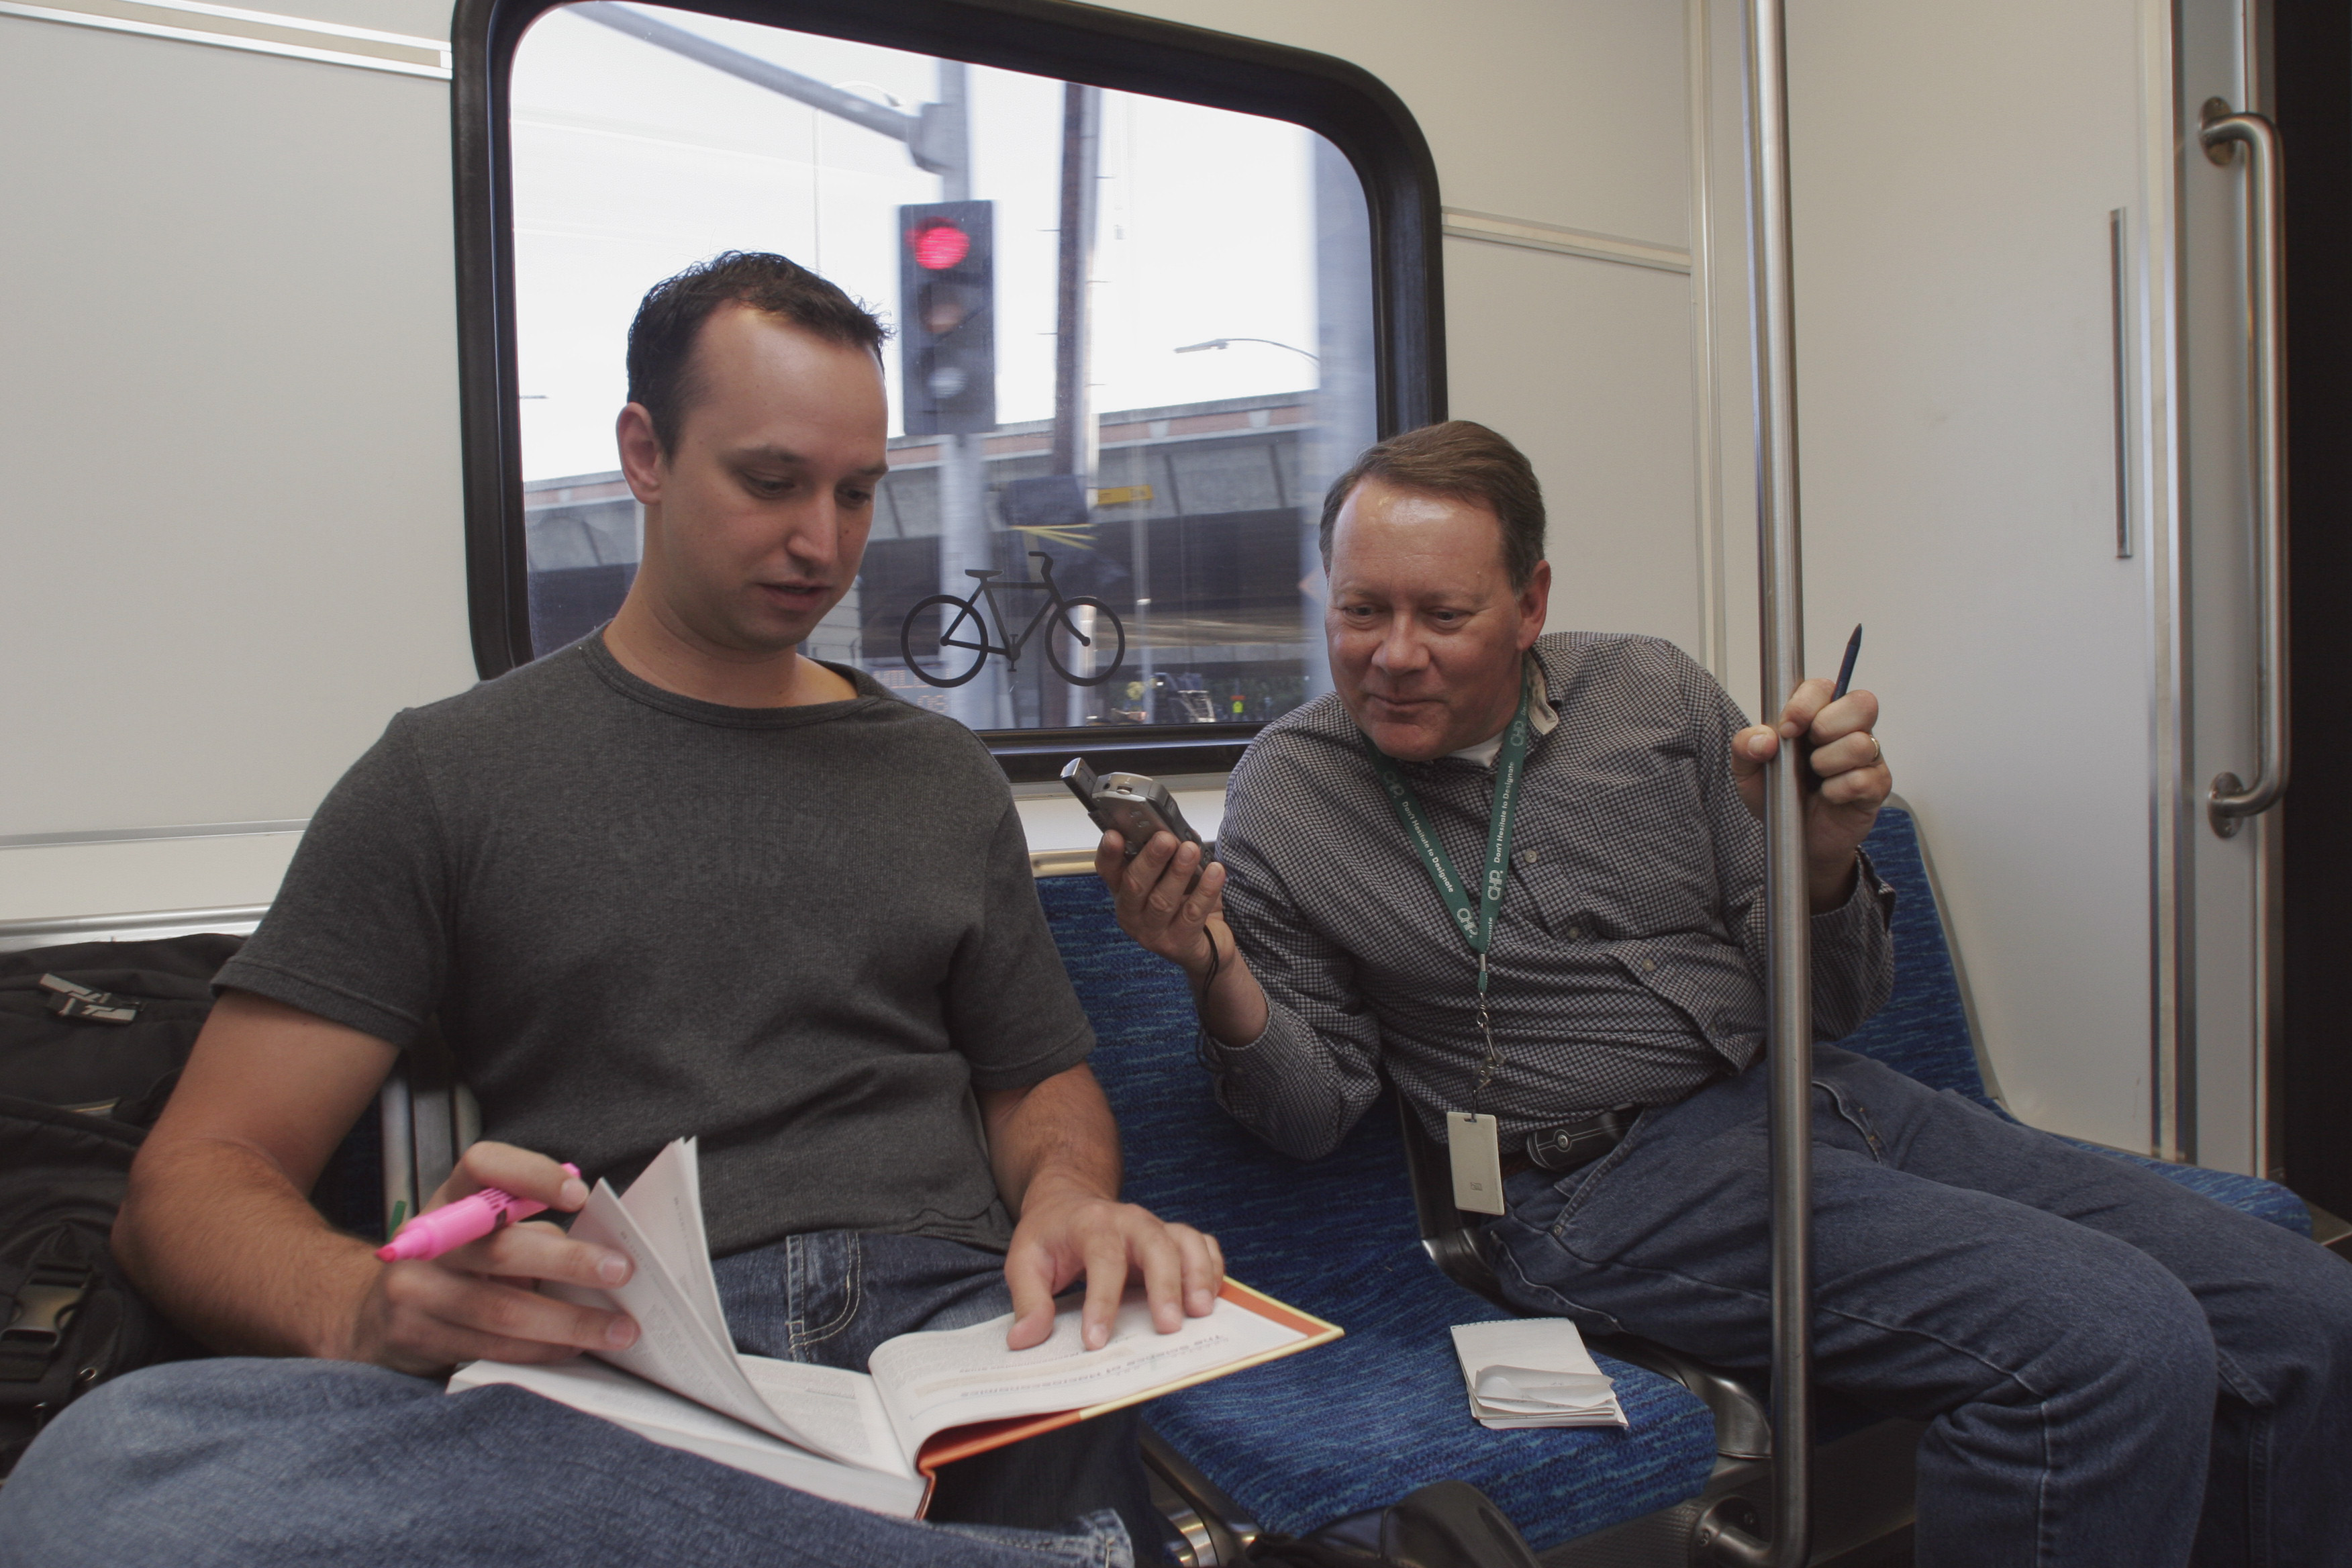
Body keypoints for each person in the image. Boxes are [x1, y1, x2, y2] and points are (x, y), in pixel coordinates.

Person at [0, 252, 1224, 1568]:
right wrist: (366, 1301)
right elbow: (195, 1180)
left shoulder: (940, 775)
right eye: (770, 481)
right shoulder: (447, 775)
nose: (823, 540)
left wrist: (1068, 1198)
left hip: (958, 1335)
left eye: (857, 491)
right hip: (629, 1355)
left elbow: (1041, 1087)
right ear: (644, 451)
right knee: (111, 1470)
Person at [1100, 419, 2352, 1567]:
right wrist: (1214, 968)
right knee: (2103, 1345)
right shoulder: (1292, 791)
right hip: (1592, 1185)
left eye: (1445, 615)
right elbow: (1310, 1114)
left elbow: (1841, 1003)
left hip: (1824, 1100)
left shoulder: (1653, 695)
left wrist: (1818, 862)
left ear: (1531, 604)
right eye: (1363, 611)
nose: (1395, 657)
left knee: (2306, 1311)